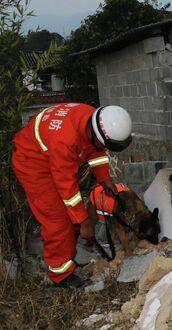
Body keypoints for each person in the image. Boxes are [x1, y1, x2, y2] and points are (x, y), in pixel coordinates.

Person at [12, 103, 132, 288]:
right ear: (95, 133)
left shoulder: (92, 120)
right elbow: (67, 189)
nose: (104, 147)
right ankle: (60, 276)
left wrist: (104, 179)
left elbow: (96, 151)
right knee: (57, 220)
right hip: (33, 164)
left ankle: (68, 252)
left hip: (52, 157)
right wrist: (84, 223)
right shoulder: (65, 140)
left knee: (70, 217)